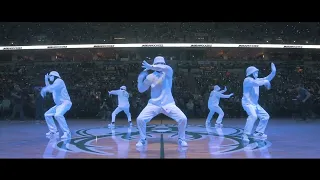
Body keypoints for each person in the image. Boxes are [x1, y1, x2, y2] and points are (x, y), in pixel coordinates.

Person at [136, 56, 188, 147]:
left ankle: (181, 139)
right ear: (155, 64)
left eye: (162, 64)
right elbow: (141, 89)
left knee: (183, 119)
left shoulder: (168, 72)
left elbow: (165, 68)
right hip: (154, 104)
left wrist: (151, 66)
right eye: (158, 64)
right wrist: (140, 80)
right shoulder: (150, 76)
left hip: (168, 104)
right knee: (140, 119)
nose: (161, 66)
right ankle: (143, 139)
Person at [241, 63, 276, 141]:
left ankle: (258, 132)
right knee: (253, 116)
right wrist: (266, 82)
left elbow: (267, 78)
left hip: (255, 104)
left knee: (265, 116)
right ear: (251, 73)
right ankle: (245, 135)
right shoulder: (247, 80)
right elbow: (258, 83)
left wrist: (273, 72)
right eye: (255, 72)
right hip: (247, 103)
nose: (257, 73)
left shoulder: (256, 79)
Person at [40, 71, 72, 139]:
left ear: (55, 76)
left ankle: (67, 132)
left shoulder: (59, 81)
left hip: (65, 103)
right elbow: (50, 89)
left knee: (58, 115)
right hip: (59, 105)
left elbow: (51, 88)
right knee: (47, 114)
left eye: (51, 76)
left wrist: (43, 90)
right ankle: (53, 131)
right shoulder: (55, 83)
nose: (50, 77)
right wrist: (46, 80)